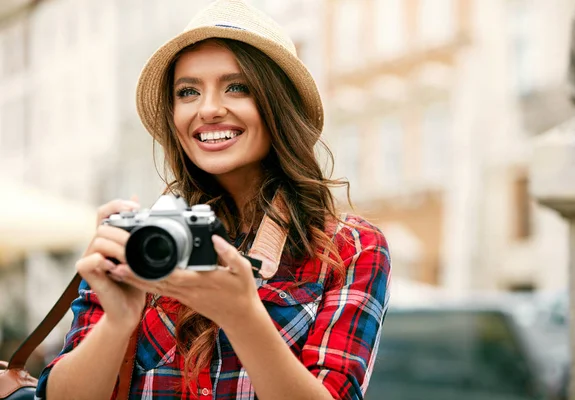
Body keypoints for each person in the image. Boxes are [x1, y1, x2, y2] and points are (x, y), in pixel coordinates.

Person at [35, 0, 391, 399]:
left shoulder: (351, 249)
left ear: (279, 104)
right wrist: (118, 321)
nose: (207, 109)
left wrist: (243, 317)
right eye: (188, 92)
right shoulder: (143, 240)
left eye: (237, 87)